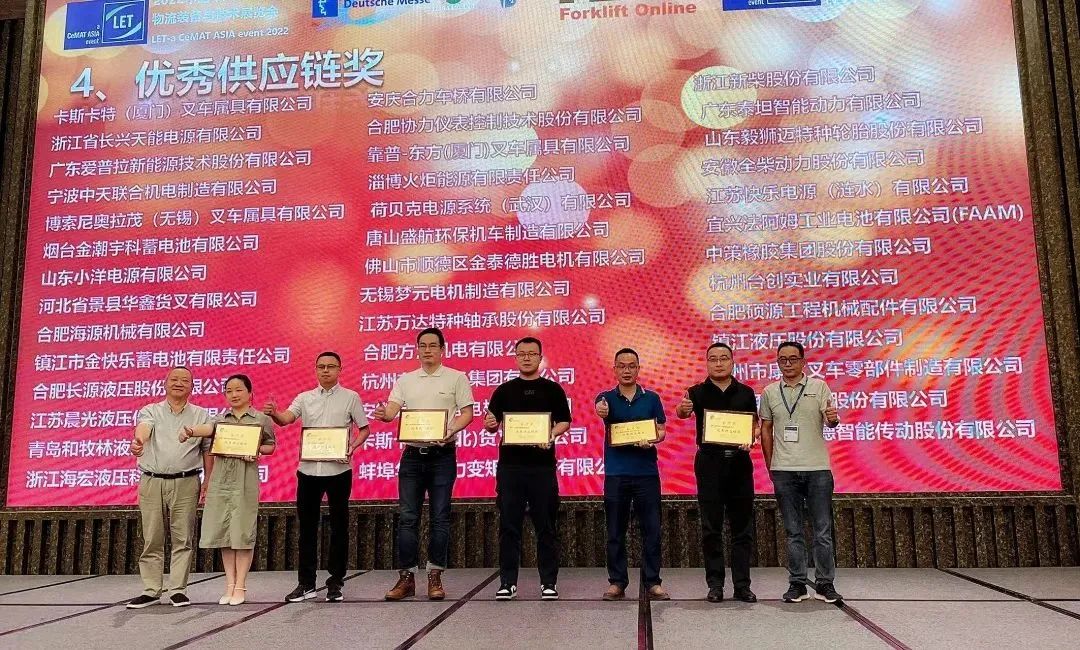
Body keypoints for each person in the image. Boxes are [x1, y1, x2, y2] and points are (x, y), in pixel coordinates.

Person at [373, 327, 475, 601]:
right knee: (408, 518)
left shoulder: (456, 377)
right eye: (422, 345)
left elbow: (467, 413)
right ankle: (406, 578)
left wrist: (450, 430)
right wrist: (384, 414)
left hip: (443, 455)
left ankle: (435, 575)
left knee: (440, 517)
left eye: (432, 345)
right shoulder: (406, 380)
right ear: (417, 349)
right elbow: (392, 411)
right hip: (412, 456)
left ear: (442, 349)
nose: (427, 350)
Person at [264, 351, 370, 603]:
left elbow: (364, 429)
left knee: (339, 528)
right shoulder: (304, 397)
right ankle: (306, 583)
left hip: (339, 471)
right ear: (315, 369)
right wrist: (274, 413)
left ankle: (335, 582)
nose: (325, 370)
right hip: (308, 471)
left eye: (331, 366)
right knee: (307, 529)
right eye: (321, 366)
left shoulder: (351, 397)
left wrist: (352, 447)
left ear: (340, 369)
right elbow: (286, 419)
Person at [484, 337, 571, 601]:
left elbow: (564, 421)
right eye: (521, 353)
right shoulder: (504, 390)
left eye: (532, 353)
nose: (526, 357)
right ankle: (508, 582)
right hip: (510, 467)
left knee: (546, 526)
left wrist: (550, 435)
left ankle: (548, 582)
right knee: (509, 526)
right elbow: (491, 423)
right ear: (515, 358)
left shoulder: (552, 389)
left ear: (540, 358)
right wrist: (490, 424)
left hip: (542, 468)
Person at [180, 374, 276, 606]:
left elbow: (270, 446)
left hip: (245, 480)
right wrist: (191, 431)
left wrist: (255, 450)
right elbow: (208, 429)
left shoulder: (261, 419)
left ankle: (241, 585)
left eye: (239, 390)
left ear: (250, 393)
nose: (234, 394)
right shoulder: (220, 418)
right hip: (221, 480)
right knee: (225, 533)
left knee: (242, 534)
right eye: (229, 391)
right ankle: (229, 585)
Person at [759, 341, 843, 604]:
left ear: (803, 361)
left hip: (817, 469)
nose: (788, 364)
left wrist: (833, 418)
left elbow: (830, 420)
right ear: (777, 363)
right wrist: (771, 463)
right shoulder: (770, 392)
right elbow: (765, 429)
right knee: (793, 531)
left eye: (793, 359)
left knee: (822, 531)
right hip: (784, 470)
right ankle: (797, 583)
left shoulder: (819, 387)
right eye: (782, 359)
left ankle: (825, 584)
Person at [675, 342, 759, 603]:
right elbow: (681, 412)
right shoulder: (696, 392)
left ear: (732, 362)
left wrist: (751, 437)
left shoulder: (746, 392)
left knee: (742, 528)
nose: (719, 363)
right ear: (707, 363)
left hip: (739, 463)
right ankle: (715, 585)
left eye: (724, 358)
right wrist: (682, 410)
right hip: (709, 463)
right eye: (713, 359)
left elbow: (755, 425)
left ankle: (742, 586)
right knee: (711, 527)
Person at [126, 366, 212, 609]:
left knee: (182, 538)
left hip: (187, 481)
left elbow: (207, 450)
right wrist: (139, 441)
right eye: (174, 379)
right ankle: (151, 590)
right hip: (152, 480)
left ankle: (178, 590)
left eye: (185, 380)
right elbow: (144, 428)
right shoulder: (151, 410)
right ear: (165, 383)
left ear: (192, 387)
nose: (179, 383)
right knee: (152, 537)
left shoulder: (201, 415)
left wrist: (208, 480)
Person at [595, 348, 669, 601]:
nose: (626, 370)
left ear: (638, 369)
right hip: (616, 473)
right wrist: (601, 411)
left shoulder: (652, 398)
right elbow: (600, 409)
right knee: (615, 531)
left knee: (652, 529)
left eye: (631, 366)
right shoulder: (605, 398)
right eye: (622, 366)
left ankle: (653, 581)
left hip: (646, 473)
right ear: (614, 369)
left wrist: (653, 439)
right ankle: (617, 582)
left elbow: (661, 430)